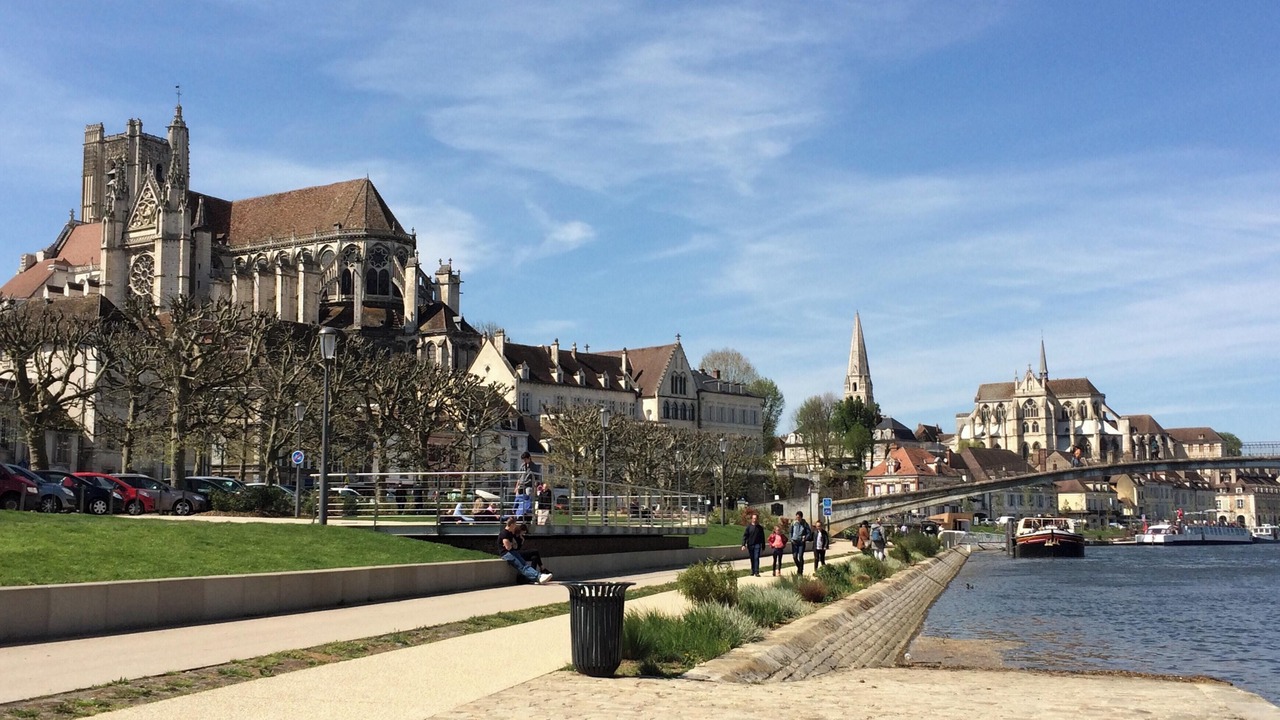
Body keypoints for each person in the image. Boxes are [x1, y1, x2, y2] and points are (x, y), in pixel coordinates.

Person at [498, 516, 552, 585]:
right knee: (522, 566)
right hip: (506, 554)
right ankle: (538, 577)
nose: (515, 526)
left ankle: (538, 576)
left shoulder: (510, 533)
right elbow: (508, 547)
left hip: (512, 552)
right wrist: (511, 544)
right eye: (515, 524)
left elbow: (515, 545)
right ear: (511, 525)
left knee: (524, 564)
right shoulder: (504, 533)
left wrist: (512, 544)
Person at [741, 512, 766, 576]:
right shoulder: (749, 527)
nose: (755, 520)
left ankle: (756, 572)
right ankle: (752, 570)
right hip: (750, 545)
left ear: (757, 519)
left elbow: (762, 537)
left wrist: (763, 546)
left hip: (757, 545)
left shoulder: (760, 528)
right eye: (753, 518)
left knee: (756, 557)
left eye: (756, 518)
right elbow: (745, 536)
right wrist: (743, 544)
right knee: (752, 558)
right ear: (752, 519)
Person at [790, 511, 812, 575]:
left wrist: (805, 538)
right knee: (794, 557)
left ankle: (800, 570)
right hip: (794, 542)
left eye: (799, 517)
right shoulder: (793, 523)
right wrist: (791, 539)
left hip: (801, 543)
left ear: (801, 517)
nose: (797, 519)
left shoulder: (805, 524)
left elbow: (809, 533)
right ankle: (799, 566)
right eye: (797, 517)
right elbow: (790, 532)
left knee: (800, 556)